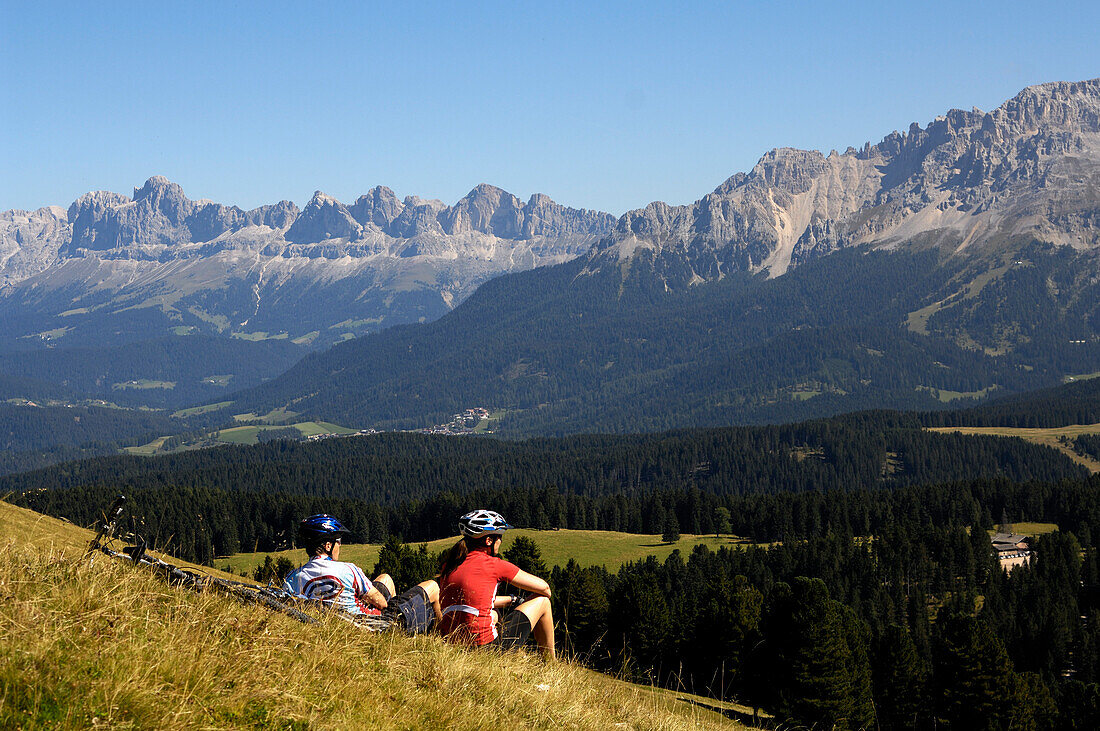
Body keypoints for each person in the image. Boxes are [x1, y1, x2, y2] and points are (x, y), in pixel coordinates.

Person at [282, 513, 441, 632]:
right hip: (370, 626)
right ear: (328, 546)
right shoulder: (348, 569)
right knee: (433, 586)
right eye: (338, 541)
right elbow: (382, 603)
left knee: (385, 578)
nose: (340, 546)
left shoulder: (292, 578)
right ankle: (440, 638)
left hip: (332, 623)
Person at [437, 509, 555, 659]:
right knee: (543, 601)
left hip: (452, 646)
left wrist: (511, 600)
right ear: (488, 541)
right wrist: (524, 602)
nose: (500, 542)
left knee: (493, 614)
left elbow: (473, 602)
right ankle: (551, 662)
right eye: (499, 537)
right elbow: (545, 588)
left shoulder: (449, 565)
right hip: (487, 651)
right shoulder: (494, 564)